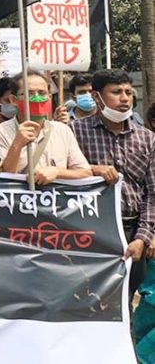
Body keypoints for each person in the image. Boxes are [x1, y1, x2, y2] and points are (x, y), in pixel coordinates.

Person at [71, 69, 155, 267]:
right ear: (96, 96)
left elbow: (152, 193)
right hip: (89, 231)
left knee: (128, 291)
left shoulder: (147, 138)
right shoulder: (74, 132)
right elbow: (63, 175)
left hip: (132, 229)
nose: (125, 98)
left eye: (128, 92)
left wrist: (142, 237)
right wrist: (93, 169)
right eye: (116, 92)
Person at [0, 70, 91, 184]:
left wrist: (57, 172)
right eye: (29, 94)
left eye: (42, 93)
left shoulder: (62, 130)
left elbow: (85, 172)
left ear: (49, 97)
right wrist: (17, 144)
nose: (37, 98)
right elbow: (2, 179)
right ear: (13, 100)